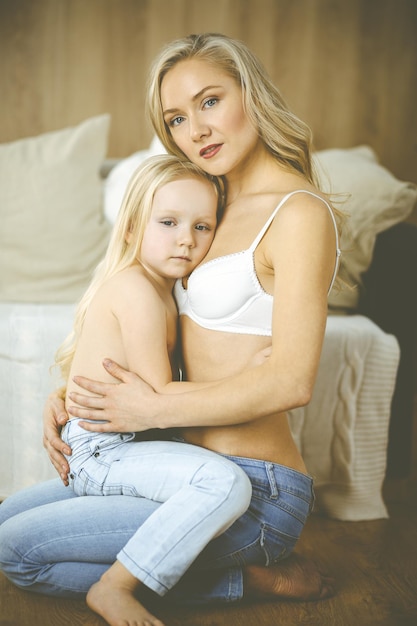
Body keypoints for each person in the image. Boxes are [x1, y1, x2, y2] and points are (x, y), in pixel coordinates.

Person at [0, 32, 342, 617]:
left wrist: (151, 408)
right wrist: (85, 393)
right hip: (173, 473)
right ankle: (217, 576)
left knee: (15, 552)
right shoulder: (204, 207)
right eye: (177, 118)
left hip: (253, 490)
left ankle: (249, 578)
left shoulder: (298, 214)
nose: (197, 130)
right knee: (7, 522)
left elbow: (290, 382)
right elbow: (171, 337)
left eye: (210, 102)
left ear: (251, 96)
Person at [51, 153, 253, 625]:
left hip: (115, 444)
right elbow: (159, 395)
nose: (186, 239)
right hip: (105, 451)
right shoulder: (138, 291)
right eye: (168, 222)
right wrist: (249, 383)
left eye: (203, 227)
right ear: (130, 229)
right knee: (224, 483)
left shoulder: (167, 289)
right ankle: (115, 588)